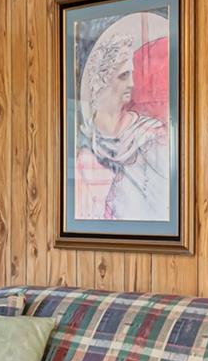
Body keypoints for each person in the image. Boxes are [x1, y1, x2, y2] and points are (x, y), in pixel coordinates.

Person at [73, 22, 170, 223]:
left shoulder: (152, 136)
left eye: (131, 74)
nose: (132, 84)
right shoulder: (84, 148)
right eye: (124, 76)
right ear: (102, 80)